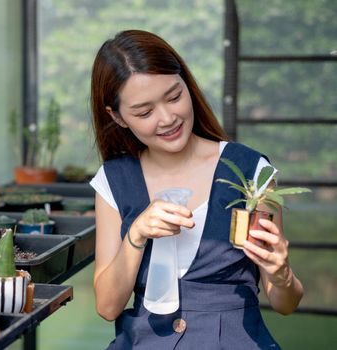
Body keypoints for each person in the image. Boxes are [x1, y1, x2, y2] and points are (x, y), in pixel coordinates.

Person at [89, 29, 303, 349]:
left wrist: (281, 273)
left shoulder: (250, 172)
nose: (168, 118)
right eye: (144, 112)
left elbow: (286, 304)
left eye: (174, 96)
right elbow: (107, 307)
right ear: (117, 116)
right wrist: (136, 234)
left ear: (187, 84)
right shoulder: (114, 181)